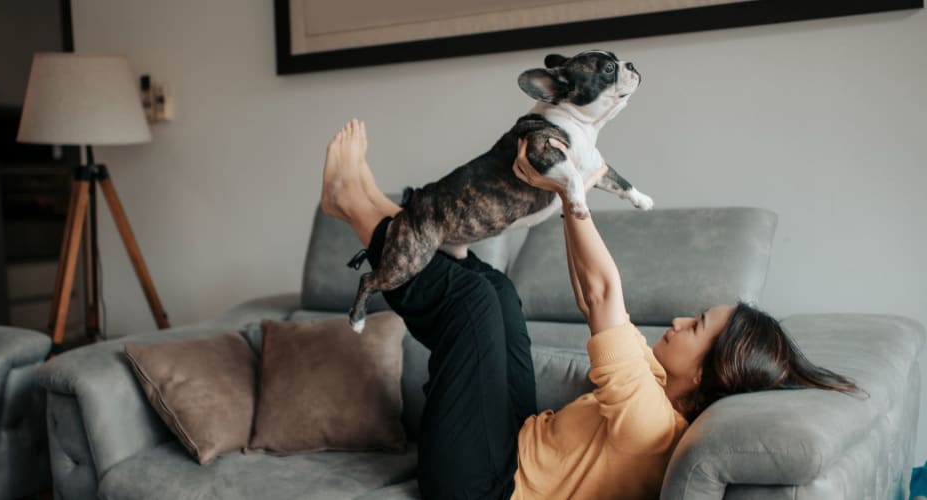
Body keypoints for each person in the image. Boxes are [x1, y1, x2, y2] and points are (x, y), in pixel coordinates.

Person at [319, 119, 859, 500]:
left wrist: (571, 192)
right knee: (502, 297)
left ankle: (355, 206)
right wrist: (562, 204)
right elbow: (588, 295)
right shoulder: (651, 380)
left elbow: (605, 294)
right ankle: (383, 211)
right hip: (511, 441)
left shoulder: (650, 425)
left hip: (482, 488)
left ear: (705, 373)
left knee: (473, 304)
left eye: (695, 327)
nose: (675, 322)